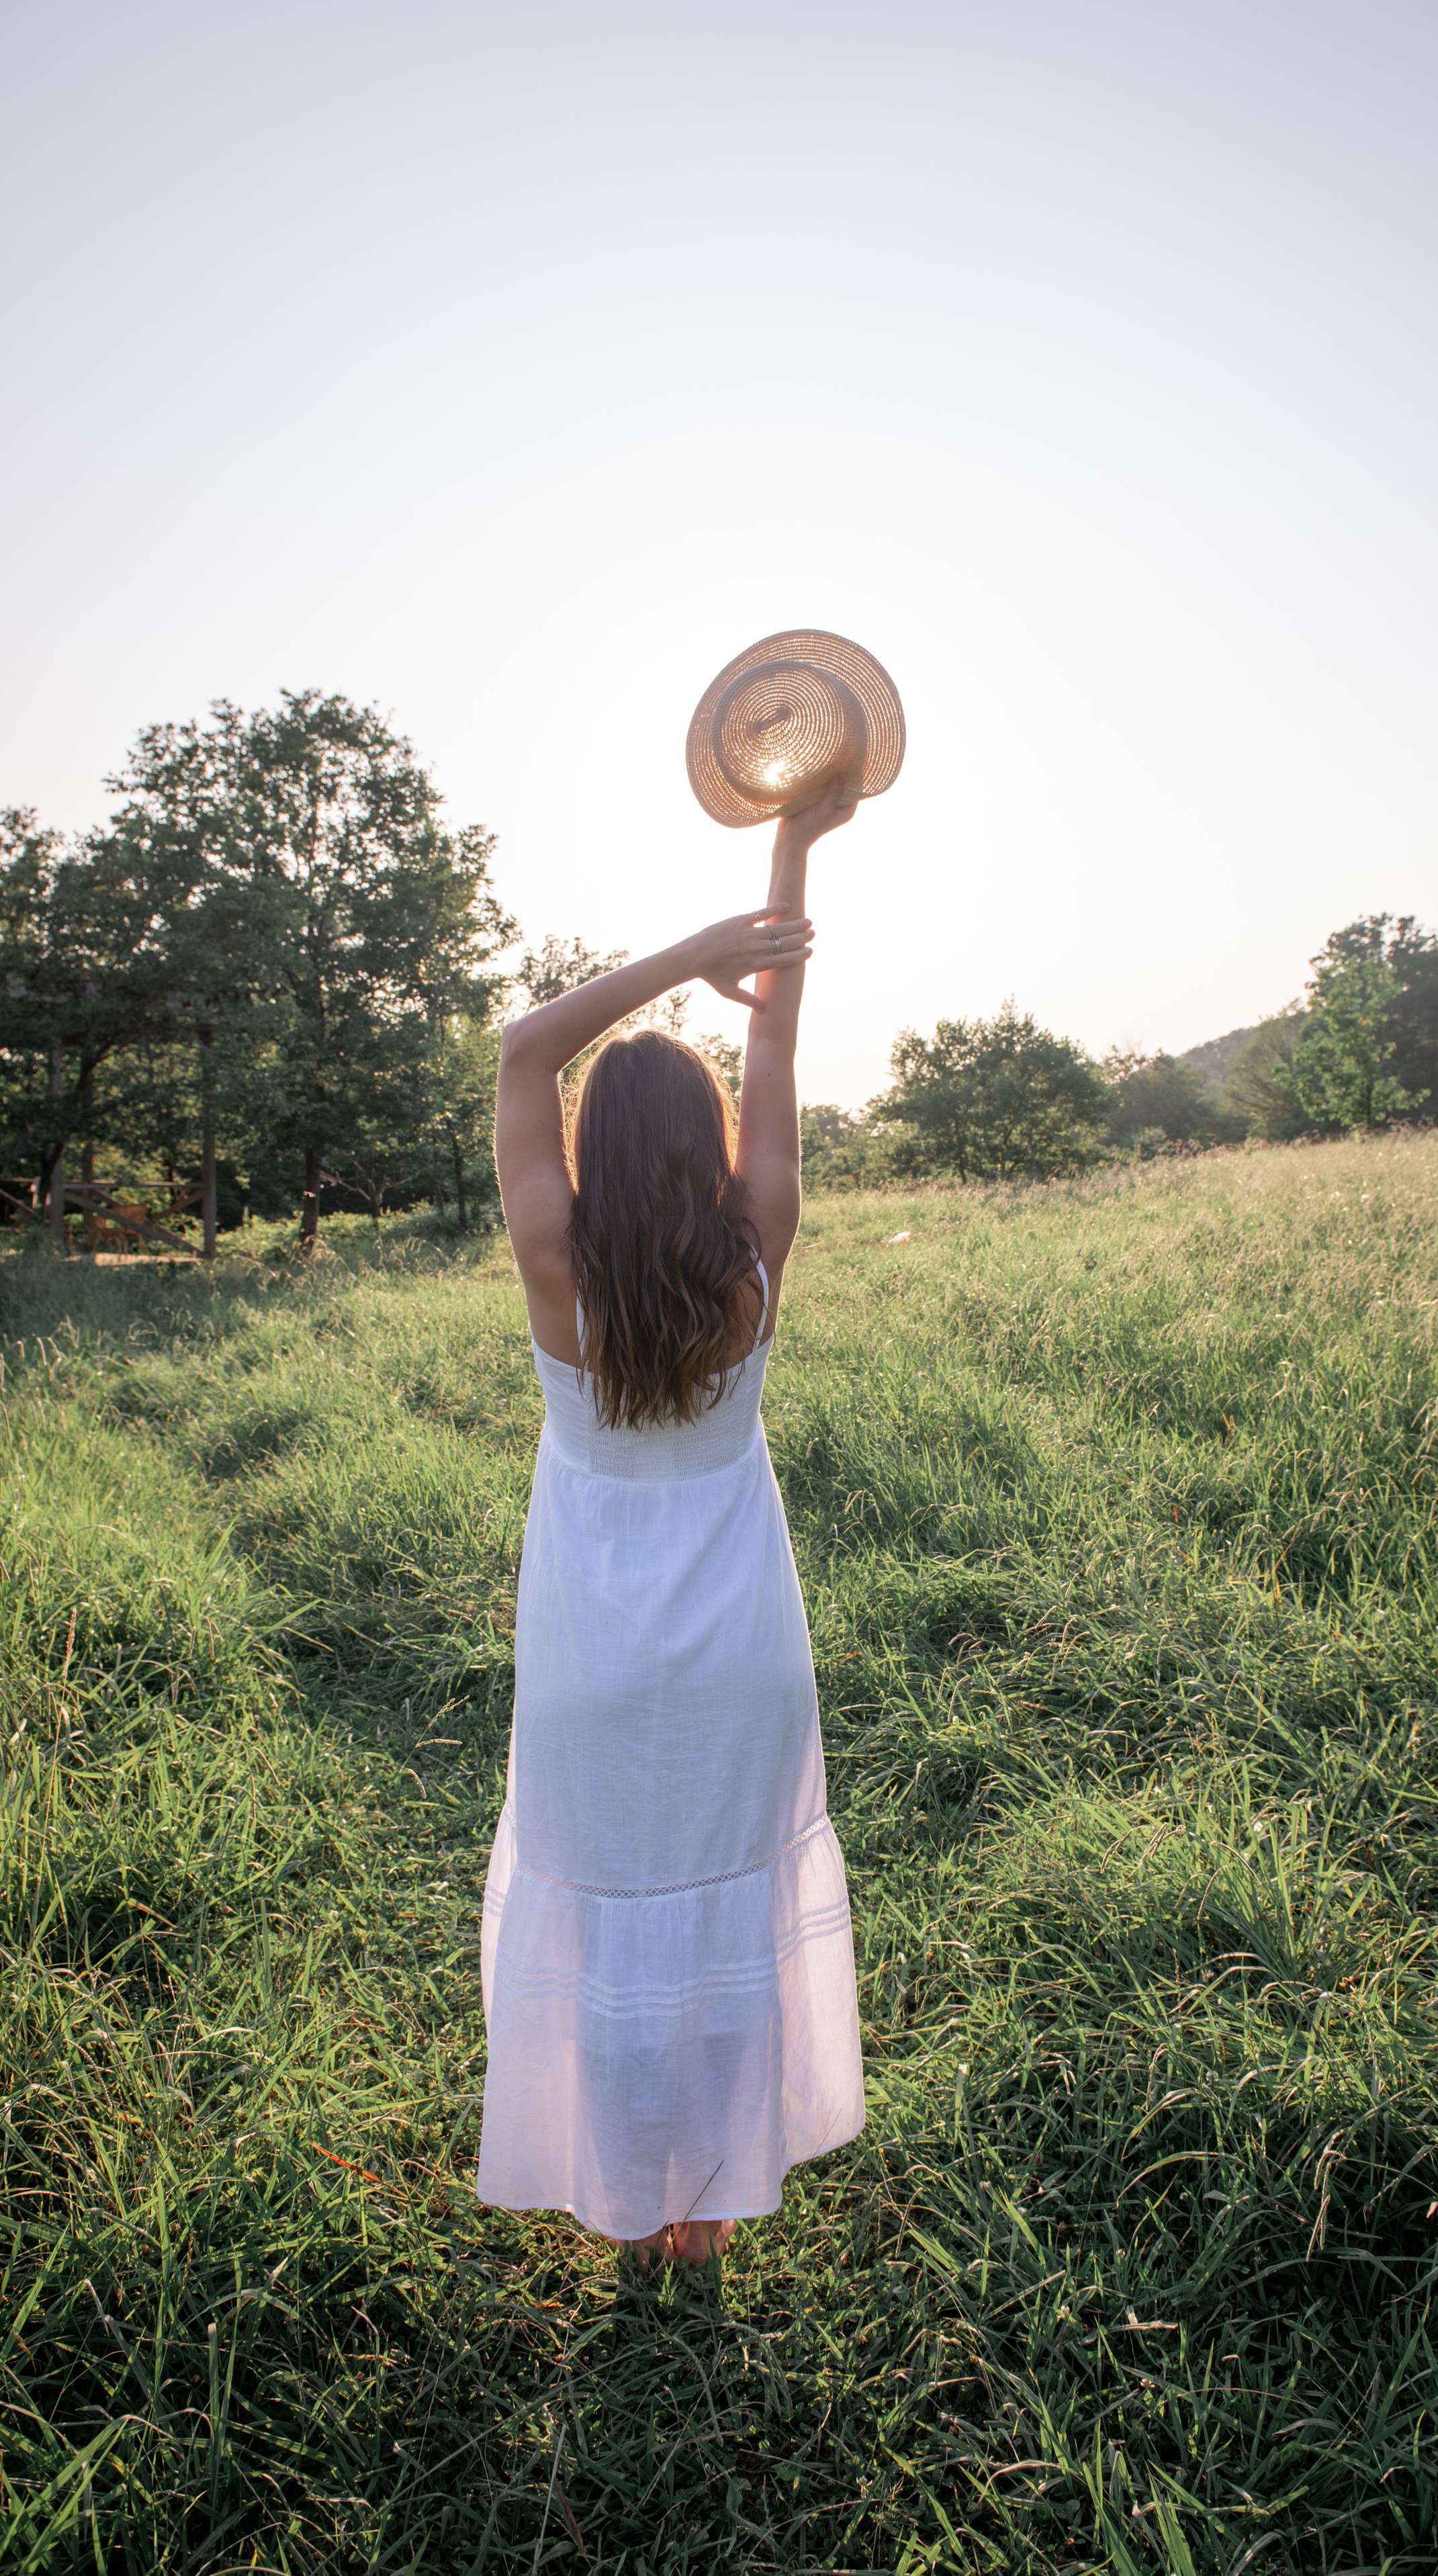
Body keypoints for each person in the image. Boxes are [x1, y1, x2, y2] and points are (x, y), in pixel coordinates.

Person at [476, 774, 866, 2266]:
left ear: (588, 1142)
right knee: (715, 1935)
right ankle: (702, 2210)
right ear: (701, 1142)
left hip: (587, 1647)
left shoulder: (553, 1261)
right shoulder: (751, 1251)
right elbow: (773, 1037)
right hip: (738, 1653)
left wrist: (678, 948)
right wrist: (788, 854)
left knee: (611, 1924)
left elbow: (522, 1046)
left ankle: (626, 2213)